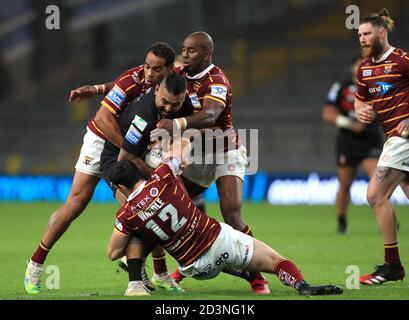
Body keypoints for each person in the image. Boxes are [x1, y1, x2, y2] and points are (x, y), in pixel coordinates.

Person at [24, 42, 176, 294]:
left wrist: (96, 89)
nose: (149, 73)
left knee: (145, 204)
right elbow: (102, 117)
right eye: (147, 66)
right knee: (75, 205)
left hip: (131, 145)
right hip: (101, 141)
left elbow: (115, 89)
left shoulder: (170, 83)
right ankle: (35, 264)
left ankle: (159, 272)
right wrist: (126, 151)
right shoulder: (134, 77)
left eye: (156, 69)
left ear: (169, 70)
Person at [106, 137, 343, 297]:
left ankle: (140, 283)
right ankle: (302, 286)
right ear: (138, 172)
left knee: (137, 234)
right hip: (219, 240)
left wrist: (139, 225)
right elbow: (184, 142)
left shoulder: (126, 213)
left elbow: (113, 253)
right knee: (276, 261)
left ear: (120, 186)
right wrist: (166, 150)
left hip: (194, 268)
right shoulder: (163, 175)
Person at [151, 31, 270, 294]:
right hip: (196, 157)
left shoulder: (217, 80)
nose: (185, 54)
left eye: (192, 50)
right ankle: (183, 265)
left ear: (207, 53)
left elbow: (209, 115)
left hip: (225, 152)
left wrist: (176, 124)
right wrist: (102, 89)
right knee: (171, 209)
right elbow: (145, 77)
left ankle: (256, 275)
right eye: (183, 49)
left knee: (232, 214)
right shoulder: (179, 75)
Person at [100, 73, 193, 294]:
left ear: (184, 97)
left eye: (176, 104)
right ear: (157, 90)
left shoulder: (185, 105)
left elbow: (188, 132)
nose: (170, 108)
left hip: (147, 155)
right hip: (120, 163)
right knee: (143, 216)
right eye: (165, 102)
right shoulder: (143, 116)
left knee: (158, 215)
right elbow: (125, 157)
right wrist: (158, 174)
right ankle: (134, 278)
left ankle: (159, 273)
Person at [354, 8, 409, 285]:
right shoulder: (364, 68)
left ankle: (392, 265)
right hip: (393, 138)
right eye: (359, 35)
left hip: (404, 140)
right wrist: (360, 109)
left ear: (382, 33)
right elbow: (359, 100)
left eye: (367, 34)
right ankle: (393, 265)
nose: (362, 39)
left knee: (375, 195)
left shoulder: (402, 60)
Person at [322, 56, 383, 234]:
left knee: (378, 183)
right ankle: (342, 221)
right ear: (352, 69)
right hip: (348, 142)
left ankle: (384, 220)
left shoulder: (378, 86)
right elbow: (327, 113)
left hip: (371, 140)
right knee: (345, 183)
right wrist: (350, 124)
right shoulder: (340, 87)